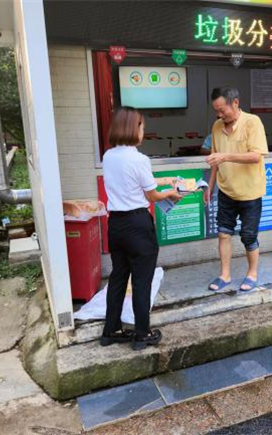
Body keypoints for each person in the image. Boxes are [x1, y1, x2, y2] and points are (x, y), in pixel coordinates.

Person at [101, 107, 182, 351]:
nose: (143, 131)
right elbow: (152, 195)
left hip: (116, 225)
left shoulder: (109, 156)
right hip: (138, 225)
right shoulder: (139, 158)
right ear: (133, 128)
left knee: (118, 277)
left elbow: (131, 181)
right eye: (142, 126)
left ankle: (111, 331)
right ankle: (142, 334)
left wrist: (162, 181)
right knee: (141, 280)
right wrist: (170, 192)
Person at [204, 87, 269, 292]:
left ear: (235, 103)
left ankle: (252, 274)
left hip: (250, 192)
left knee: (249, 236)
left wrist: (225, 156)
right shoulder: (216, 126)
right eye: (216, 111)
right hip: (226, 190)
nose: (219, 115)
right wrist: (210, 186)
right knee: (223, 234)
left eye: (223, 110)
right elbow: (215, 159)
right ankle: (225, 275)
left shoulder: (252, 122)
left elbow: (256, 156)